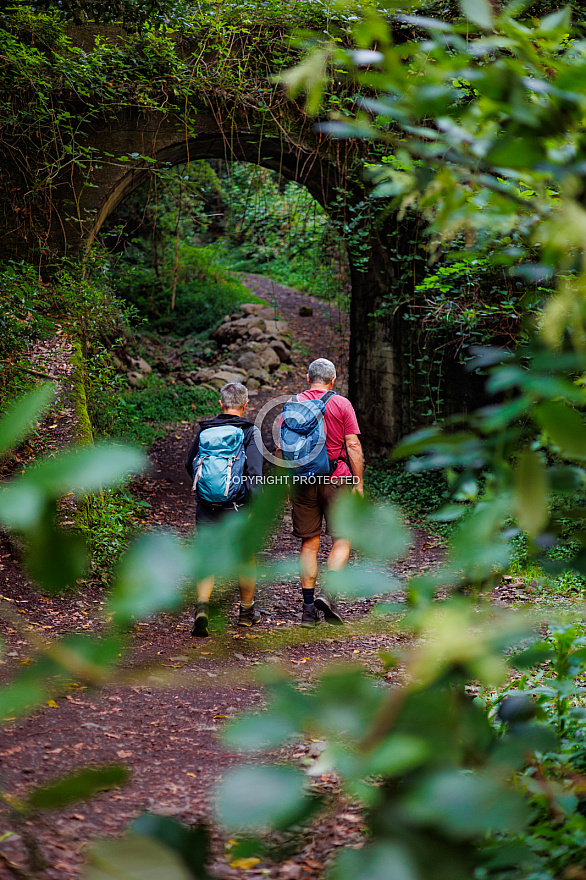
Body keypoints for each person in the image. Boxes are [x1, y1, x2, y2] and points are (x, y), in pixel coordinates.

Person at [281, 358, 363, 627]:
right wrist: (358, 481)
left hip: (303, 481)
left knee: (309, 542)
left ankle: (307, 610)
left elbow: (284, 449)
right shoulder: (341, 404)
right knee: (343, 537)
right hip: (337, 480)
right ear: (333, 380)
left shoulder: (292, 405)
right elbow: (352, 444)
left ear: (307, 378)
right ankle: (329, 594)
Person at [185, 382, 263, 637]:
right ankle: (246, 613)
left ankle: (203, 608)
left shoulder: (206, 429)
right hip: (237, 507)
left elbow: (189, 464)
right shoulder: (250, 431)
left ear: (221, 404)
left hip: (207, 505)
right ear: (245, 404)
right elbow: (254, 473)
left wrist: (208, 488)